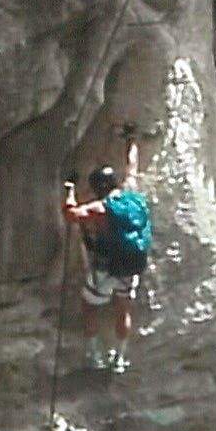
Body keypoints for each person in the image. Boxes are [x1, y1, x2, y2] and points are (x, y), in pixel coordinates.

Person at [60, 125, 153, 370]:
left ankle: (95, 356)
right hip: (132, 266)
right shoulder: (132, 195)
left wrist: (70, 188)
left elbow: (71, 215)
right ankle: (119, 358)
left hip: (107, 268)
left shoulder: (100, 208)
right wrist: (131, 142)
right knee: (123, 310)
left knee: (89, 307)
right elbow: (132, 168)